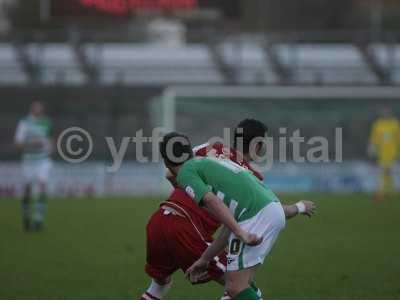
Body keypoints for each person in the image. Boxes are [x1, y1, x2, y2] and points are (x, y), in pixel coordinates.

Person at [148, 128, 315, 300]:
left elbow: (212, 201)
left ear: (166, 162)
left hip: (255, 215)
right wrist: (205, 259)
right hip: (265, 210)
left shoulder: (188, 171)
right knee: (237, 286)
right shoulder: (210, 162)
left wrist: (240, 232)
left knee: (236, 286)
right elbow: (227, 224)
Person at [14, 101, 53, 231]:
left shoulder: (47, 122)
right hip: (28, 161)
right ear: (32, 109)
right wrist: (31, 144)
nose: (38, 109)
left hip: (43, 161)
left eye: (40, 107)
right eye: (36, 107)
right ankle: (26, 219)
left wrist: (50, 146)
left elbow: (50, 140)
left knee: (42, 185)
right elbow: (18, 144)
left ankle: (38, 220)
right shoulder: (24, 123)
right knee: (27, 190)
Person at [368, 107, 400, 201]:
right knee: (384, 173)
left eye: (387, 112)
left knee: (389, 173)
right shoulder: (378, 124)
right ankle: (385, 193)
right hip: (381, 153)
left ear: (390, 113)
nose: (385, 114)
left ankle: (384, 193)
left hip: (393, 153)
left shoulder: (395, 124)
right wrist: (371, 147)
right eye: (384, 112)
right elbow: (374, 137)